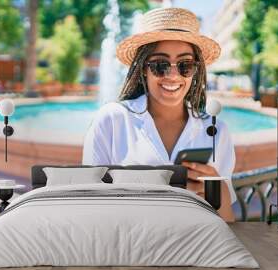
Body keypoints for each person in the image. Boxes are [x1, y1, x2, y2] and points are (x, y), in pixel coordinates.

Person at [82, 8, 236, 222]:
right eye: (160, 65)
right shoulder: (111, 120)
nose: (173, 75)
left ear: (196, 70)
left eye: (185, 65)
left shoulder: (217, 132)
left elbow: (227, 224)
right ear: (144, 68)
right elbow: (89, 208)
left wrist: (218, 193)